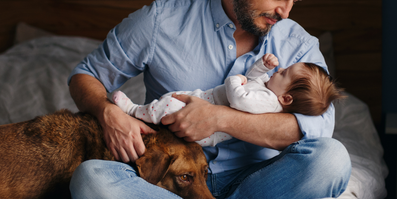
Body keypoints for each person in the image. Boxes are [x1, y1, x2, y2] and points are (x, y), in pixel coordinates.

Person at [67, 0, 351, 199]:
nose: (286, 12)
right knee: (91, 179)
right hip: (167, 181)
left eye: (294, 1)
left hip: (259, 181)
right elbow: (85, 76)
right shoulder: (159, 21)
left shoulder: (298, 44)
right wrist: (107, 113)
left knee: (332, 160)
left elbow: (317, 130)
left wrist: (220, 119)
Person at [111, 53, 344, 147]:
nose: (280, 69)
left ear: (286, 97)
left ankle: (133, 111)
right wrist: (262, 67)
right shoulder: (269, 92)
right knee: (170, 101)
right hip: (204, 101)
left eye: (283, 73)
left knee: (169, 106)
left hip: (208, 126)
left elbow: (240, 98)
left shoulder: (267, 102)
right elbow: (254, 80)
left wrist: (235, 79)